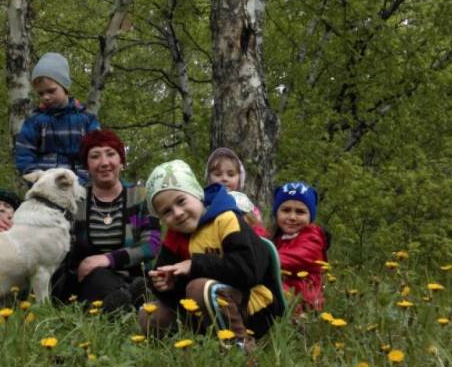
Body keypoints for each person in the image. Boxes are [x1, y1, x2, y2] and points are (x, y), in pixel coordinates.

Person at [138, 160, 284, 351]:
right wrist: (166, 285)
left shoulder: (226, 219)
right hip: (205, 306)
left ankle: (241, 348)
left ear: (196, 194)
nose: (178, 213)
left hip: (254, 305)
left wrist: (195, 265)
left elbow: (249, 270)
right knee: (150, 314)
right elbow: (171, 290)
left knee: (200, 287)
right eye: (167, 212)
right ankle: (184, 351)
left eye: (181, 201)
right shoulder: (175, 235)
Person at [51, 129, 161, 313]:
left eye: (111, 154)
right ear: (87, 164)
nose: (104, 162)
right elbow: (57, 242)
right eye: (95, 156)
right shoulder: (75, 202)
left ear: (121, 161)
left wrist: (108, 259)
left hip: (135, 277)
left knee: (140, 284)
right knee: (99, 276)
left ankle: (130, 300)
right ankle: (126, 305)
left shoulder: (140, 196)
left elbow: (152, 244)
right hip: (90, 281)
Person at [14, 52, 101, 183]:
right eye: (41, 93)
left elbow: (97, 152)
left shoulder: (86, 118)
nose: (46, 97)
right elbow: (24, 155)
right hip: (44, 185)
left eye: (51, 91)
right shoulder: (34, 120)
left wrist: (83, 180)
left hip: (79, 185)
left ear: (65, 87)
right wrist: (38, 178)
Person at [271, 182, 329, 312]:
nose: (292, 217)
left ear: (310, 216)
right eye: (286, 210)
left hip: (304, 303)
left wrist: (260, 257)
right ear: (276, 213)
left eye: (300, 212)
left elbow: (294, 257)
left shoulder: (313, 239)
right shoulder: (278, 238)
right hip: (285, 294)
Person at [205, 147, 267, 236]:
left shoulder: (247, 206)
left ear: (239, 178)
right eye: (218, 174)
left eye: (230, 175)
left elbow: (258, 233)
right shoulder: (204, 204)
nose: (224, 179)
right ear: (209, 178)